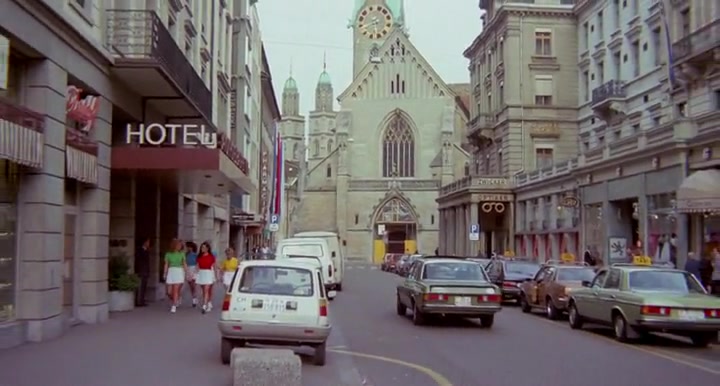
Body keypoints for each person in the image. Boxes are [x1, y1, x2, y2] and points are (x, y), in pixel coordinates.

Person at [163, 239, 187, 313]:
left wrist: (187, 273)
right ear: (174, 245)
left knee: (175, 289)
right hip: (171, 271)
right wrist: (165, 273)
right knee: (169, 292)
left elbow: (184, 264)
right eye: (178, 245)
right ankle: (176, 298)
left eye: (180, 245)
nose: (179, 246)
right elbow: (166, 264)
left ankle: (174, 305)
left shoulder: (182, 254)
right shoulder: (168, 254)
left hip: (179, 271)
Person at [196, 241, 217, 313]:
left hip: (208, 273)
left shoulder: (211, 257)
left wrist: (216, 276)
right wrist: (195, 274)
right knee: (204, 290)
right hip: (201, 273)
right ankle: (208, 302)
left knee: (206, 290)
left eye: (204, 247)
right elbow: (197, 266)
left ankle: (204, 305)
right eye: (202, 247)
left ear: (207, 248)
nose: (203, 249)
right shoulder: (199, 256)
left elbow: (214, 267)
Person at [134, 238, 151, 307]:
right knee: (140, 287)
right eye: (147, 242)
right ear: (144, 243)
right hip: (141, 271)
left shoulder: (146, 250)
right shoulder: (140, 250)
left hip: (145, 271)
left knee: (144, 287)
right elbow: (139, 262)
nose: (148, 244)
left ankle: (142, 300)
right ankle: (139, 301)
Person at [185, 241, 199, 307]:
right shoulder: (186, 254)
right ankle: (194, 297)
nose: (188, 248)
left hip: (194, 269)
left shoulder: (195, 255)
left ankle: (195, 297)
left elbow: (197, 262)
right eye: (188, 247)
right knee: (190, 285)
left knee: (193, 284)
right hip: (188, 269)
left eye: (190, 247)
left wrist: (197, 269)